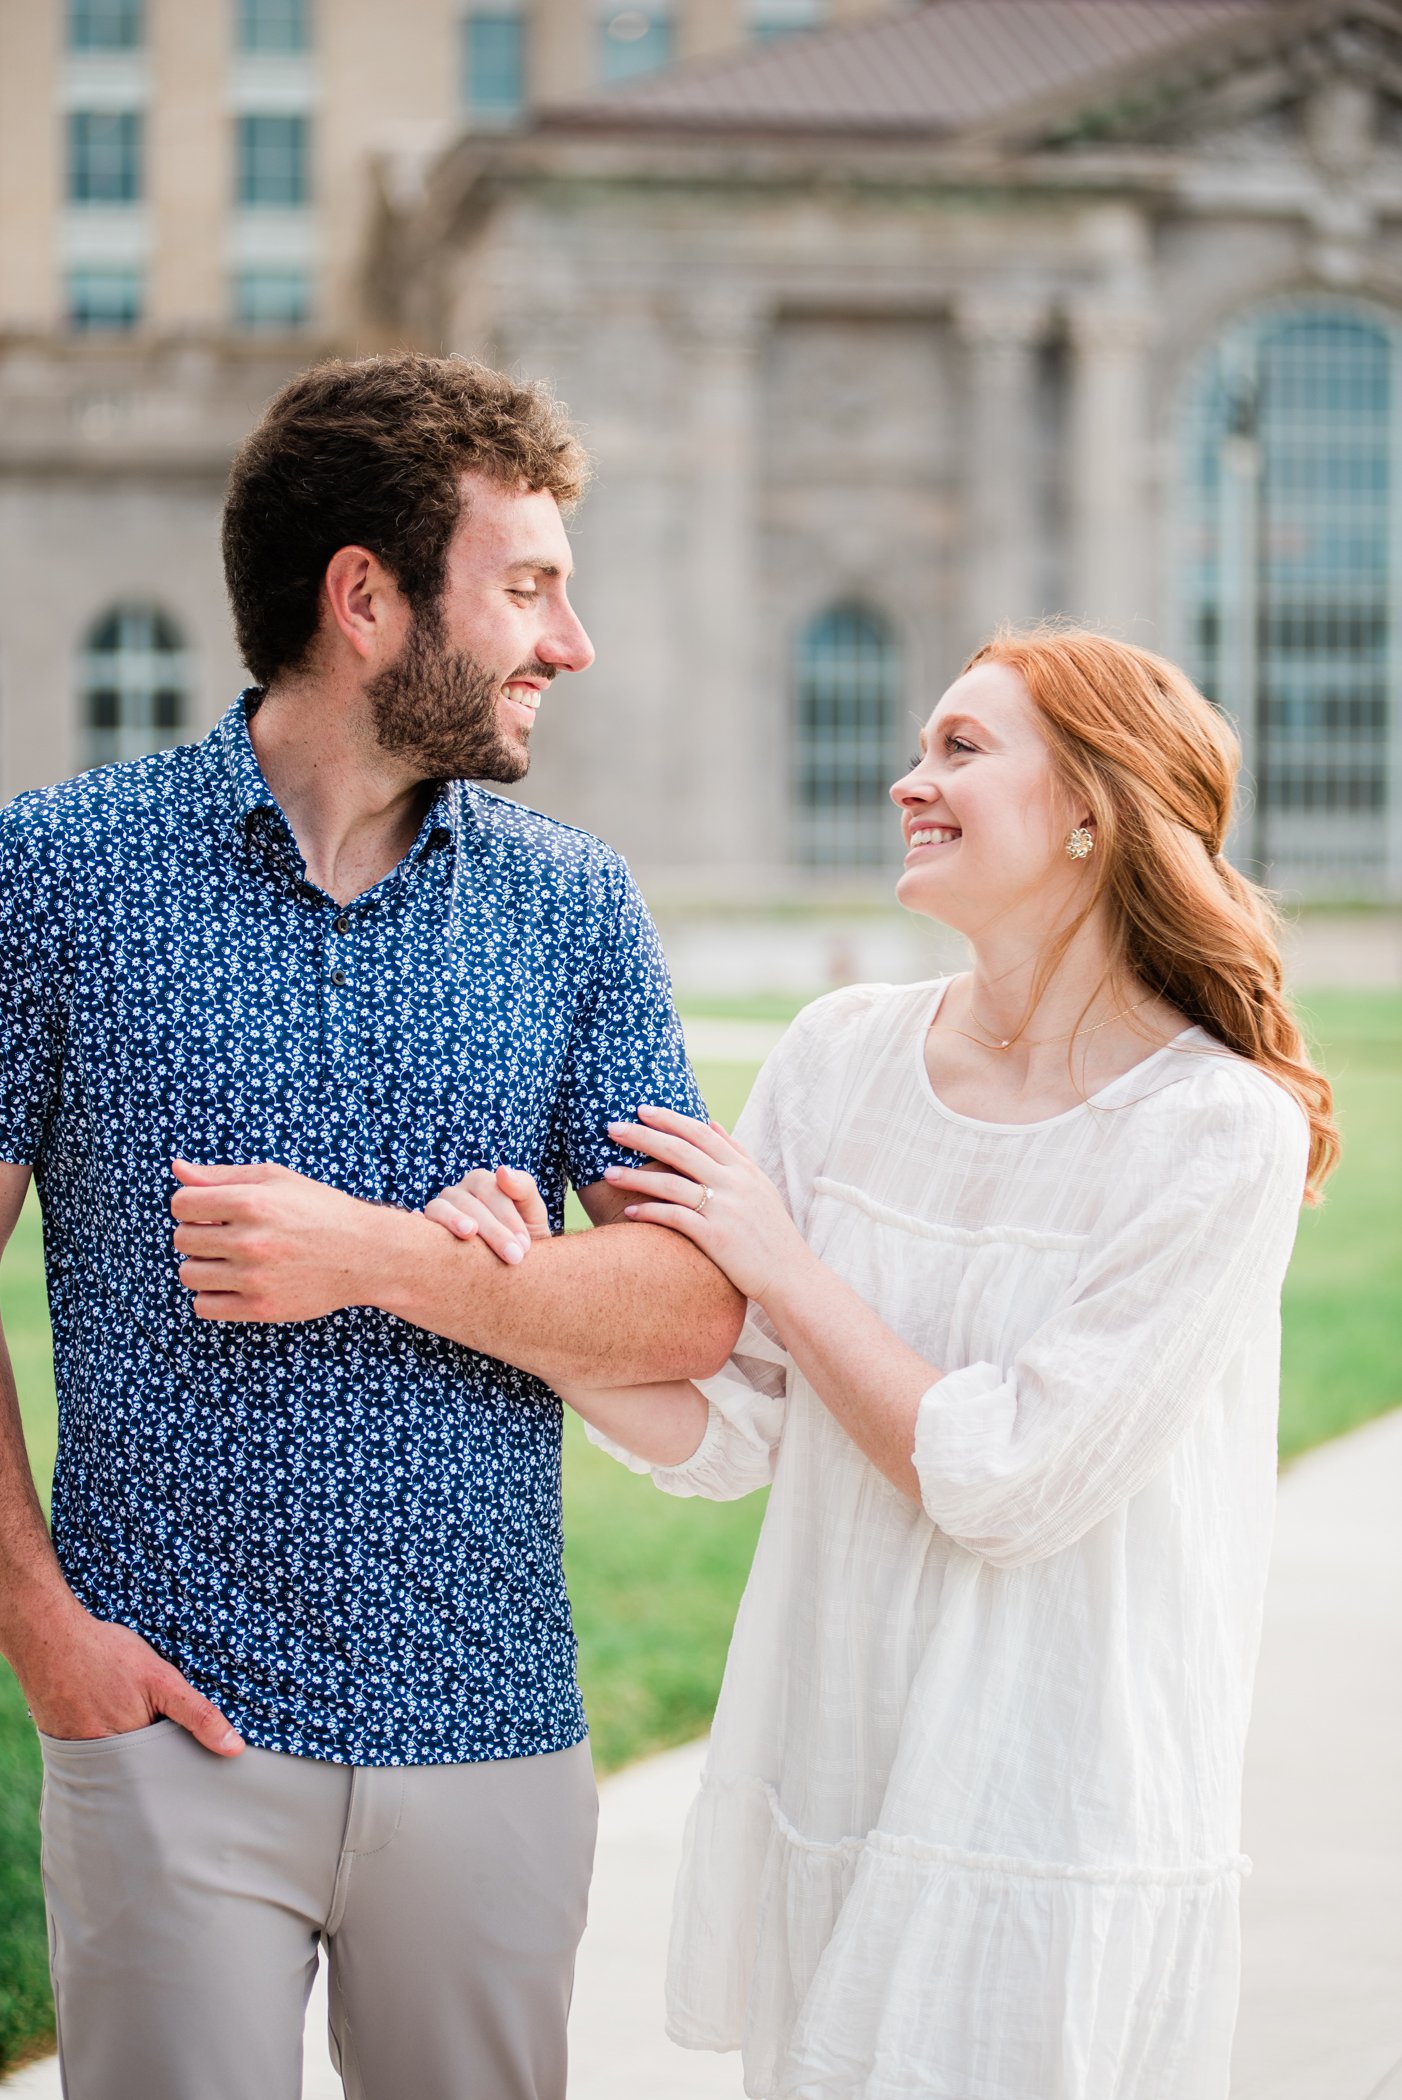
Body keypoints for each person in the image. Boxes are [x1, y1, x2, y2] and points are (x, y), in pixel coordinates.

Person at [430, 629, 1339, 2099]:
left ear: (1093, 809)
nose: (907, 781)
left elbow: (1006, 1477)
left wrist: (778, 1257)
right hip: (833, 1771)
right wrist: (505, 1294)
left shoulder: (1216, 1129)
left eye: (962, 751)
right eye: (919, 747)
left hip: (1054, 1812)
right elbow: (731, 1429)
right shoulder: (840, 1053)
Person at [0, 351, 742, 2100]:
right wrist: (39, 1625)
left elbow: (694, 1303)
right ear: (366, 599)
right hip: (166, 1726)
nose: (568, 643)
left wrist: (383, 1260)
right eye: (529, 588)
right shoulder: (55, 874)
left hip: (490, 1735)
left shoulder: (573, 903)